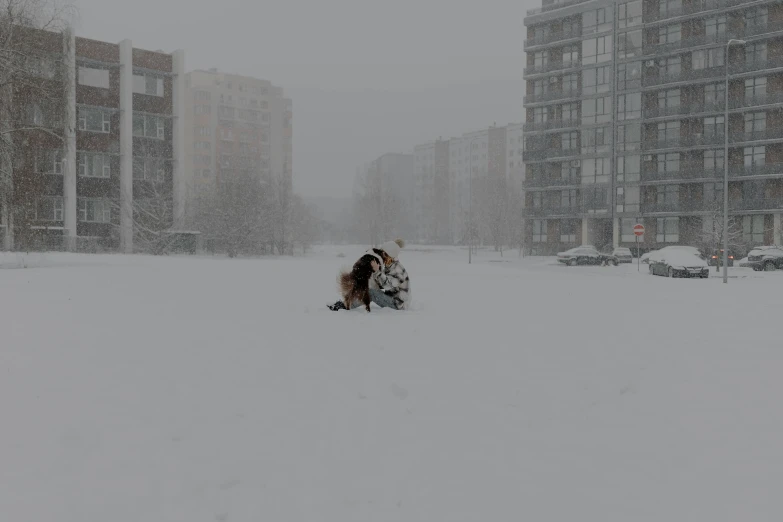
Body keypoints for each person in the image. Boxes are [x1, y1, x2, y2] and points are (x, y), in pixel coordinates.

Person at [329, 239, 411, 311]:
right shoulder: (390, 267)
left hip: (398, 305)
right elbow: (382, 285)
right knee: (369, 289)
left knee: (371, 293)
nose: (382, 256)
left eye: (384, 254)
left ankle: (346, 306)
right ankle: (347, 302)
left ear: (390, 256)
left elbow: (387, 285)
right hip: (392, 299)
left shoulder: (398, 270)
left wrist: (377, 271)